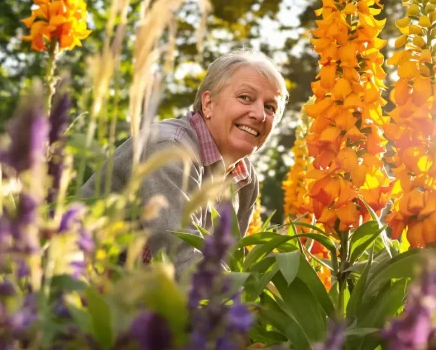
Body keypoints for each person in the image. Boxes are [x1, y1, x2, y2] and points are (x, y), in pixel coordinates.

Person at [79, 49, 289, 276]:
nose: (259, 114)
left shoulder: (246, 179)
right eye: (245, 98)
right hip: (79, 287)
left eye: (270, 107)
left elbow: (228, 260)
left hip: (149, 296)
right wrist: (243, 305)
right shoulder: (170, 149)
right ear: (208, 103)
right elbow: (180, 256)